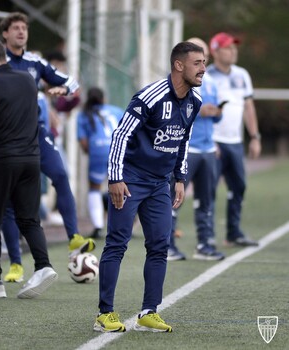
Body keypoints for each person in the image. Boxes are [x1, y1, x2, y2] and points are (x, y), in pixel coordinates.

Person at [94, 41, 205, 333]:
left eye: (204, 63)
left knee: (159, 245)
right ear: (178, 65)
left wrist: (179, 179)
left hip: (160, 184)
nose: (203, 69)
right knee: (117, 242)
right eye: (198, 63)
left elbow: (184, 142)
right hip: (130, 179)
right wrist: (116, 178)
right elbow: (120, 135)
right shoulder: (150, 96)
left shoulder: (195, 102)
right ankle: (104, 314)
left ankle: (148, 312)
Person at [0, 12, 95, 283]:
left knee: (61, 176)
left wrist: (63, 91)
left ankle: (74, 237)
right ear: (5, 33)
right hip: (7, 138)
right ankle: (16, 264)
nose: (21, 32)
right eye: (15, 28)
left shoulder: (35, 62)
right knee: (9, 201)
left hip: (37, 134)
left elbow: (72, 83)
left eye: (24, 28)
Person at [0, 38, 58, 298]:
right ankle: (43, 266)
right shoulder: (28, 81)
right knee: (29, 219)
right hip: (31, 159)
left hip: (1, 161)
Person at [168, 37, 225, 261]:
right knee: (174, 198)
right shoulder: (177, 82)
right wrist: (203, 112)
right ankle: (167, 245)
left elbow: (216, 117)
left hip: (208, 149)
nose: (202, 61)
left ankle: (204, 244)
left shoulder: (209, 82)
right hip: (187, 149)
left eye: (204, 56)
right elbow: (177, 112)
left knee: (206, 199)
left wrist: (217, 114)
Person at [208, 32, 261, 247]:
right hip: (214, 142)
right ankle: (207, 236)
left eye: (234, 48)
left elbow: (248, 107)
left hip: (235, 142)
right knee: (208, 189)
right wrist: (209, 141)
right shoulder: (207, 76)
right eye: (228, 48)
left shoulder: (242, 75)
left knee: (238, 187)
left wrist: (255, 136)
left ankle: (233, 232)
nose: (233, 51)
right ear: (215, 51)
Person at [77, 87, 123, 238]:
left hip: (97, 151)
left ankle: (97, 226)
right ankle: (122, 225)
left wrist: (95, 151)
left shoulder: (83, 115)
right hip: (117, 151)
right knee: (121, 185)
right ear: (104, 98)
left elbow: (84, 143)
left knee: (95, 188)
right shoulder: (115, 111)